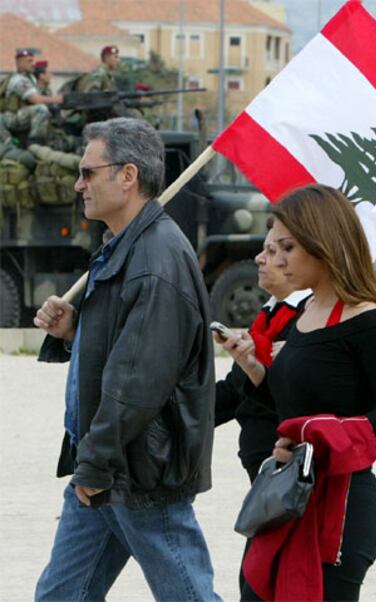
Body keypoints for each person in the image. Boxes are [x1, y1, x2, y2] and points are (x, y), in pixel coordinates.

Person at [33, 117, 221, 602]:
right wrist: (74, 328)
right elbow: (125, 350)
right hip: (106, 463)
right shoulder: (127, 247)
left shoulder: (156, 260)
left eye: (88, 173)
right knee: (59, 596)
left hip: (138, 470)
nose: (79, 185)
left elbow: (138, 382)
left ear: (128, 176)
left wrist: (95, 465)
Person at [217, 184, 376, 602]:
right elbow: (292, 405)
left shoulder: (370, 321)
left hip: (338, 509)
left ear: (322, 244)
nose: (276, 258)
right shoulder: (304, 314)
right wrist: (255, 371)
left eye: (288, 246)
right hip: (285, 499)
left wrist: (319, 438)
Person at [215, 227, 310, 598]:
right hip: (266, 480)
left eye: (275, 250)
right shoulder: (269, 314)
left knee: (262, 583)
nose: (259, 258)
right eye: (265, 249)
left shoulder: (308, 317)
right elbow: (235, 391)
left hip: (290, 478)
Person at [1, 49, 63, 144]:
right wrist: (56, 99)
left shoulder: (30, 78)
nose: (32, 64)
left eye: (32, 61)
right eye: (29, 61)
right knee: (40, 109)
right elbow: (35, 99)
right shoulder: (18, 80)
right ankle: (35, 143)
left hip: (21, 114)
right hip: (11, 117)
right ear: (19, 62)